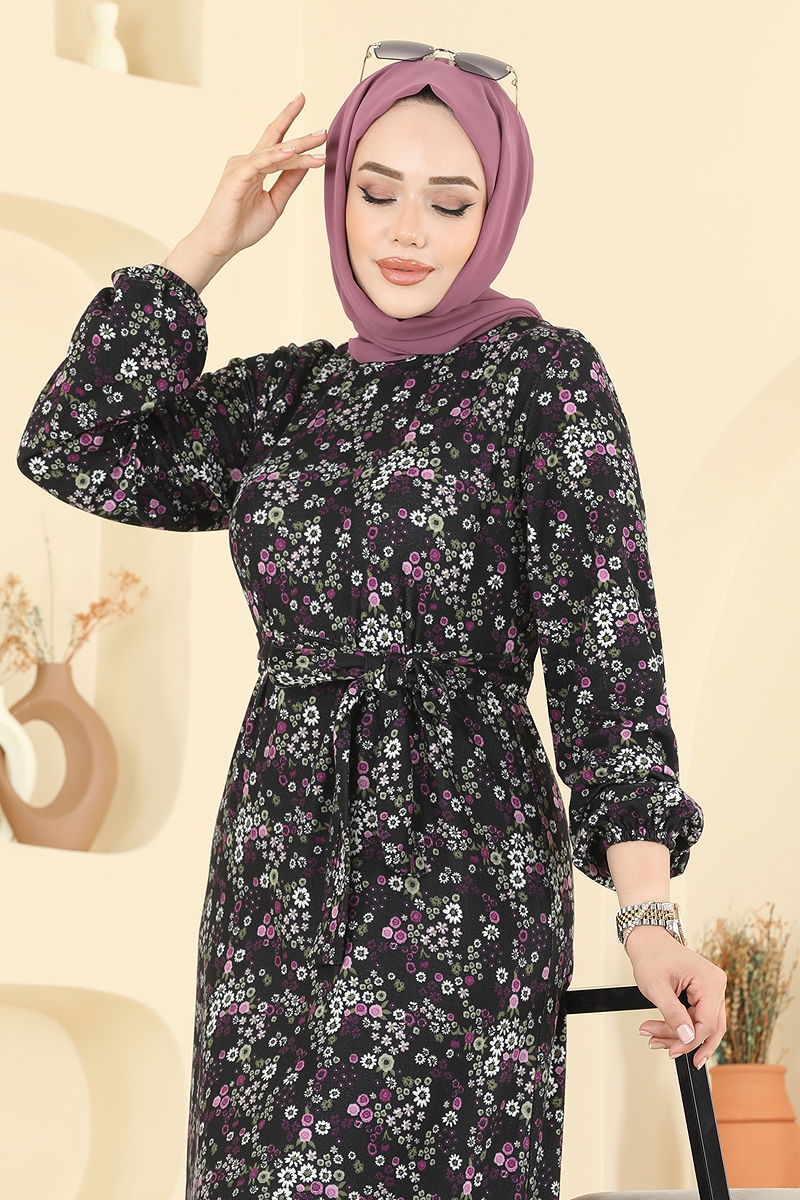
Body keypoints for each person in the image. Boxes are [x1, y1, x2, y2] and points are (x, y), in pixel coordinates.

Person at [16, 46, 726, 1200]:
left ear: (494, 214)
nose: (405, 232)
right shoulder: (285, 397)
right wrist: (208, 243)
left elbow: (607, 654)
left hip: (457, 851)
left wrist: (645, 915)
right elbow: (72, 443)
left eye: (449, 203)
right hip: (275, 849)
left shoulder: (541, 380)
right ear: (333, 188)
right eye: (375, 189)